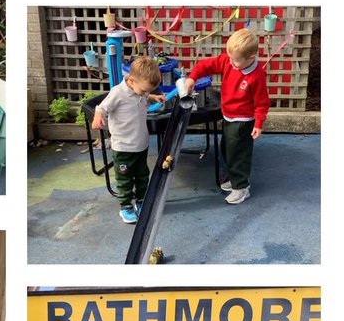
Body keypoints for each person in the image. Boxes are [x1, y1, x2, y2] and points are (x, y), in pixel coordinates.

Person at [183, 28, 270, 205]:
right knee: (227, 149)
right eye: (229, 57)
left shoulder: (256, 75)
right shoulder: (228, 61)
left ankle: (242, 187)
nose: (231, 62)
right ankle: (235, 179)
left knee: (238, 154)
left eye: (236, 60)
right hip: (229, 116)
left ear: (251, 59)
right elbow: (206, 65)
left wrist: (259, 123)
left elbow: (262, 102)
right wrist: (192, 78)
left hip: (243, 120)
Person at [91, 56, 165, 224]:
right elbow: (102, 107)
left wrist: (153, 97)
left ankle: (141, 201)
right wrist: (98, 117)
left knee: (142, 176)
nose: (145, 94)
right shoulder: (118, 92)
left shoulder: (140, 90)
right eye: (144, 91)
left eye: (148, 91)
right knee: (125, 178)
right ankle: (126, 207)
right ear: (131, 81)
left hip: (141, 144)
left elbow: (144, 95)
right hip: (123, 147)